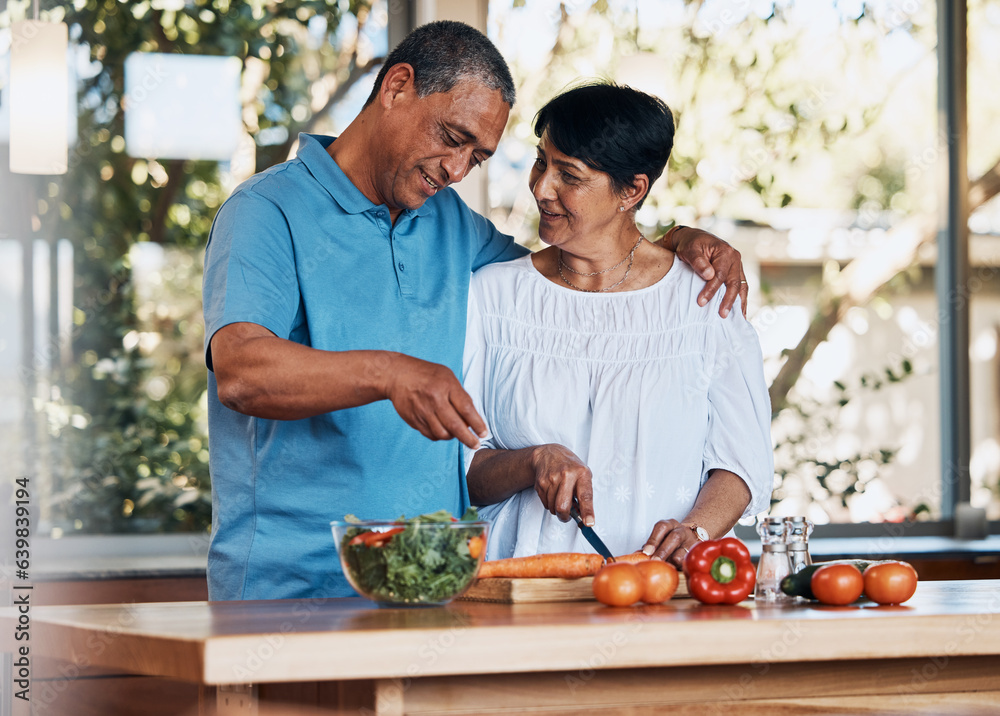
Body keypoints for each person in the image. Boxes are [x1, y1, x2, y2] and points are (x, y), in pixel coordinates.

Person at [202, 21, 747, 600]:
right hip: (292, 586)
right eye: (452, 136)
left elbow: (574, 271)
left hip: (429, 584)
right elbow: (242, 372)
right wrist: (392, 374)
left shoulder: (447, 223)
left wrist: (679, 241)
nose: (458, 170)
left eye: (477, 157)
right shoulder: (266, 212)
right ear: (397, 87)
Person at [463, 83, 773, 569]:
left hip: (659, 589)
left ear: (632, 190)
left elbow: (740, 463)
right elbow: (463, 474)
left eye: (571, 175)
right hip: (519, 589)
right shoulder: (491, 295)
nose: (542, 187)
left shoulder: (705, 299)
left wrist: (696, 530)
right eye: (542, 161)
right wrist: (532, 460)